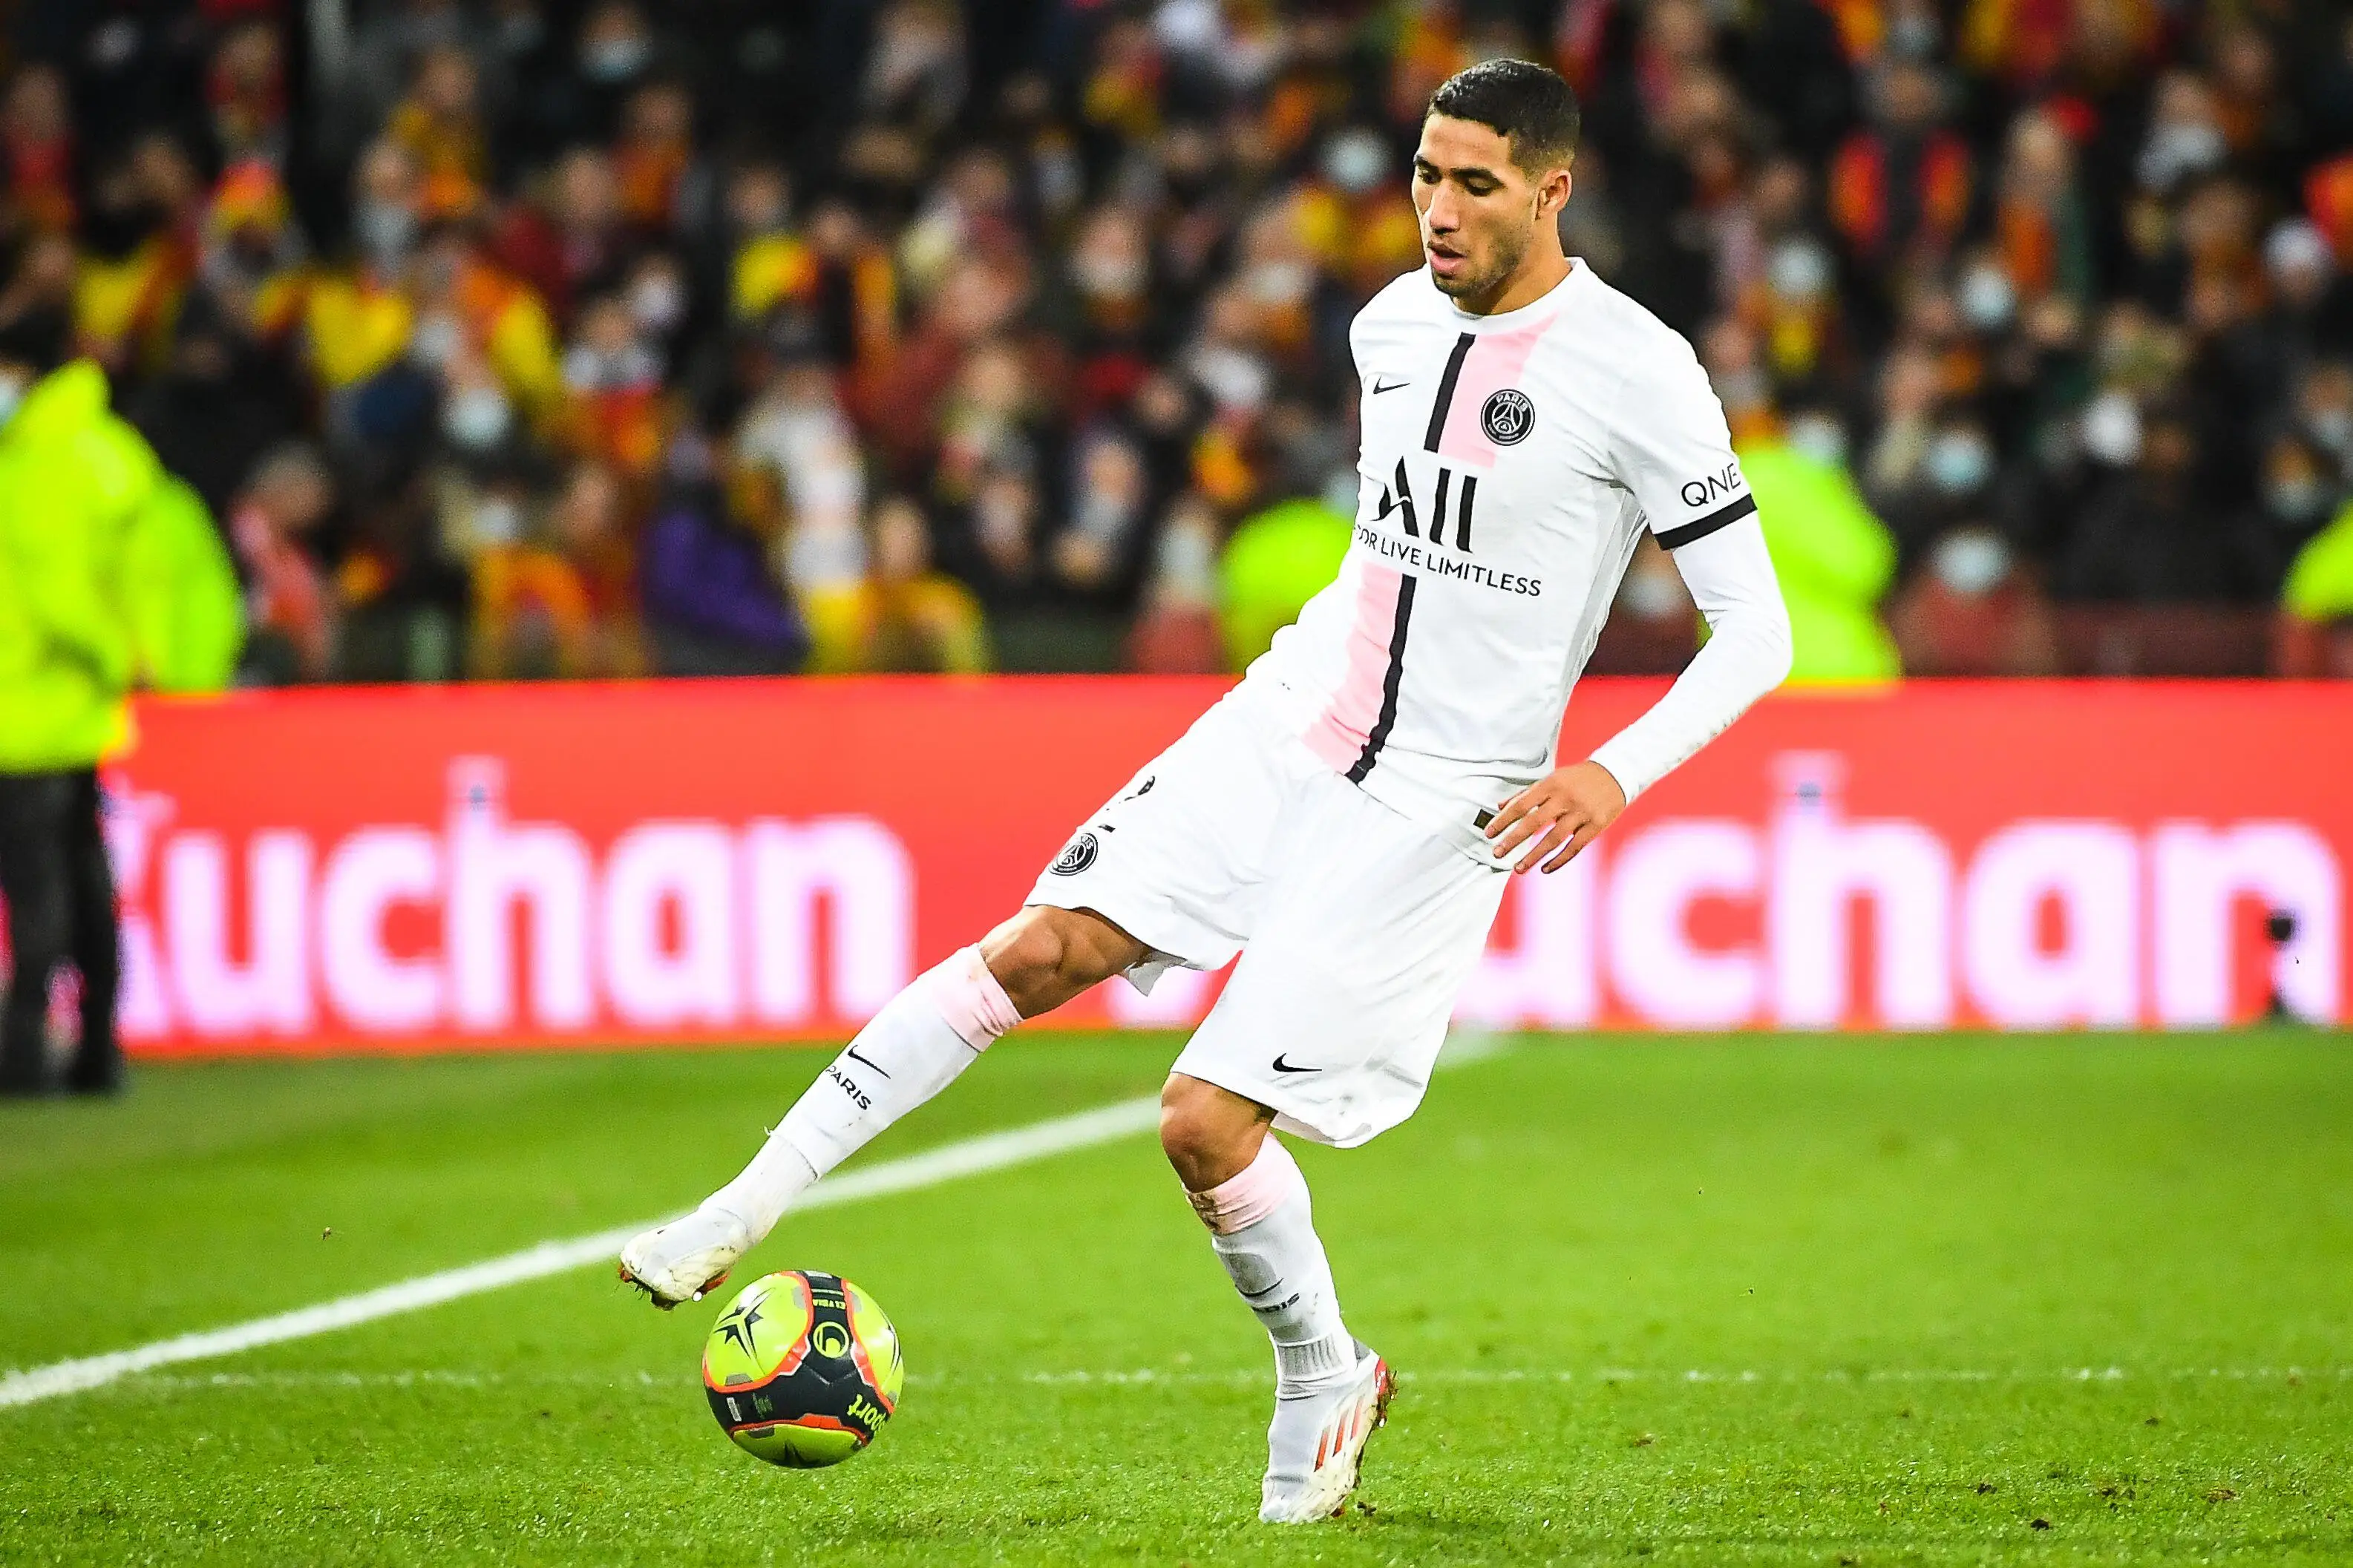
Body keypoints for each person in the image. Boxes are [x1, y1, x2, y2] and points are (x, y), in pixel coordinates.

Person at [620, 60, 1792, 1523]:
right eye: (1423, 173)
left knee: (1198, 1124)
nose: (1435, 207)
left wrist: (1612, 770)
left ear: (1552, 191)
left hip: (1439, 798)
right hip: (1292, 720)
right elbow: (1400, 556)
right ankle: (741, 1207)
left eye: (1474, 183)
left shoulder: (1636, 369)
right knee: (1037, 946)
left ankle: (1322, 1369)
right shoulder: (1385, 327)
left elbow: (1759, 630)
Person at [0, 309, 240, 1097]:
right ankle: (101, 1046)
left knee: (38, 889)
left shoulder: (34, 463)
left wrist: (107, 651)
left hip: (24, 710)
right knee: (83, 880)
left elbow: (51, 591)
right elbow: (166, 562)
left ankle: (25, 1055)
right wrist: (144, 658)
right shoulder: (115, 452)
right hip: (85, 710)